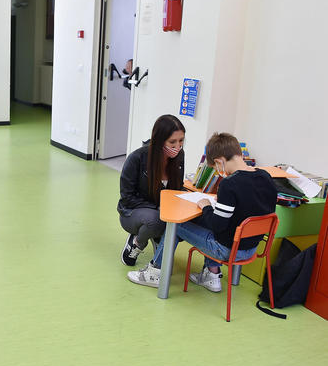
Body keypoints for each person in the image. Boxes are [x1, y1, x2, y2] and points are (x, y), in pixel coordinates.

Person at [127, 132, 277, 292]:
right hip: (252, 248)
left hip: (228, 250)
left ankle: (155, 273)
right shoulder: (265, 177)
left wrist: (206, 207)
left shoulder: (229, 184)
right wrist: (223, 203)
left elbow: (217, 225)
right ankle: (212, 275)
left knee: (176, 225)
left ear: (219, 161)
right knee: (213, 224)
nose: (218, 171)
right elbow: (253, 208)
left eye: (215, 168)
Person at [118, 114, 186, 266]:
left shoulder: (179, 156)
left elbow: (176, 188)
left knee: (180, 220)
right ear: (160, 140)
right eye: (172, 142)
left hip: (161, 211)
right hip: (132, 212)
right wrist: (157, 208)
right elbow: (127, 198)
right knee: (155, 220)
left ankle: (156, 236)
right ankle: (137, 242)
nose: (178, 146)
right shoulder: (137, 158)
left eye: (181, 140)